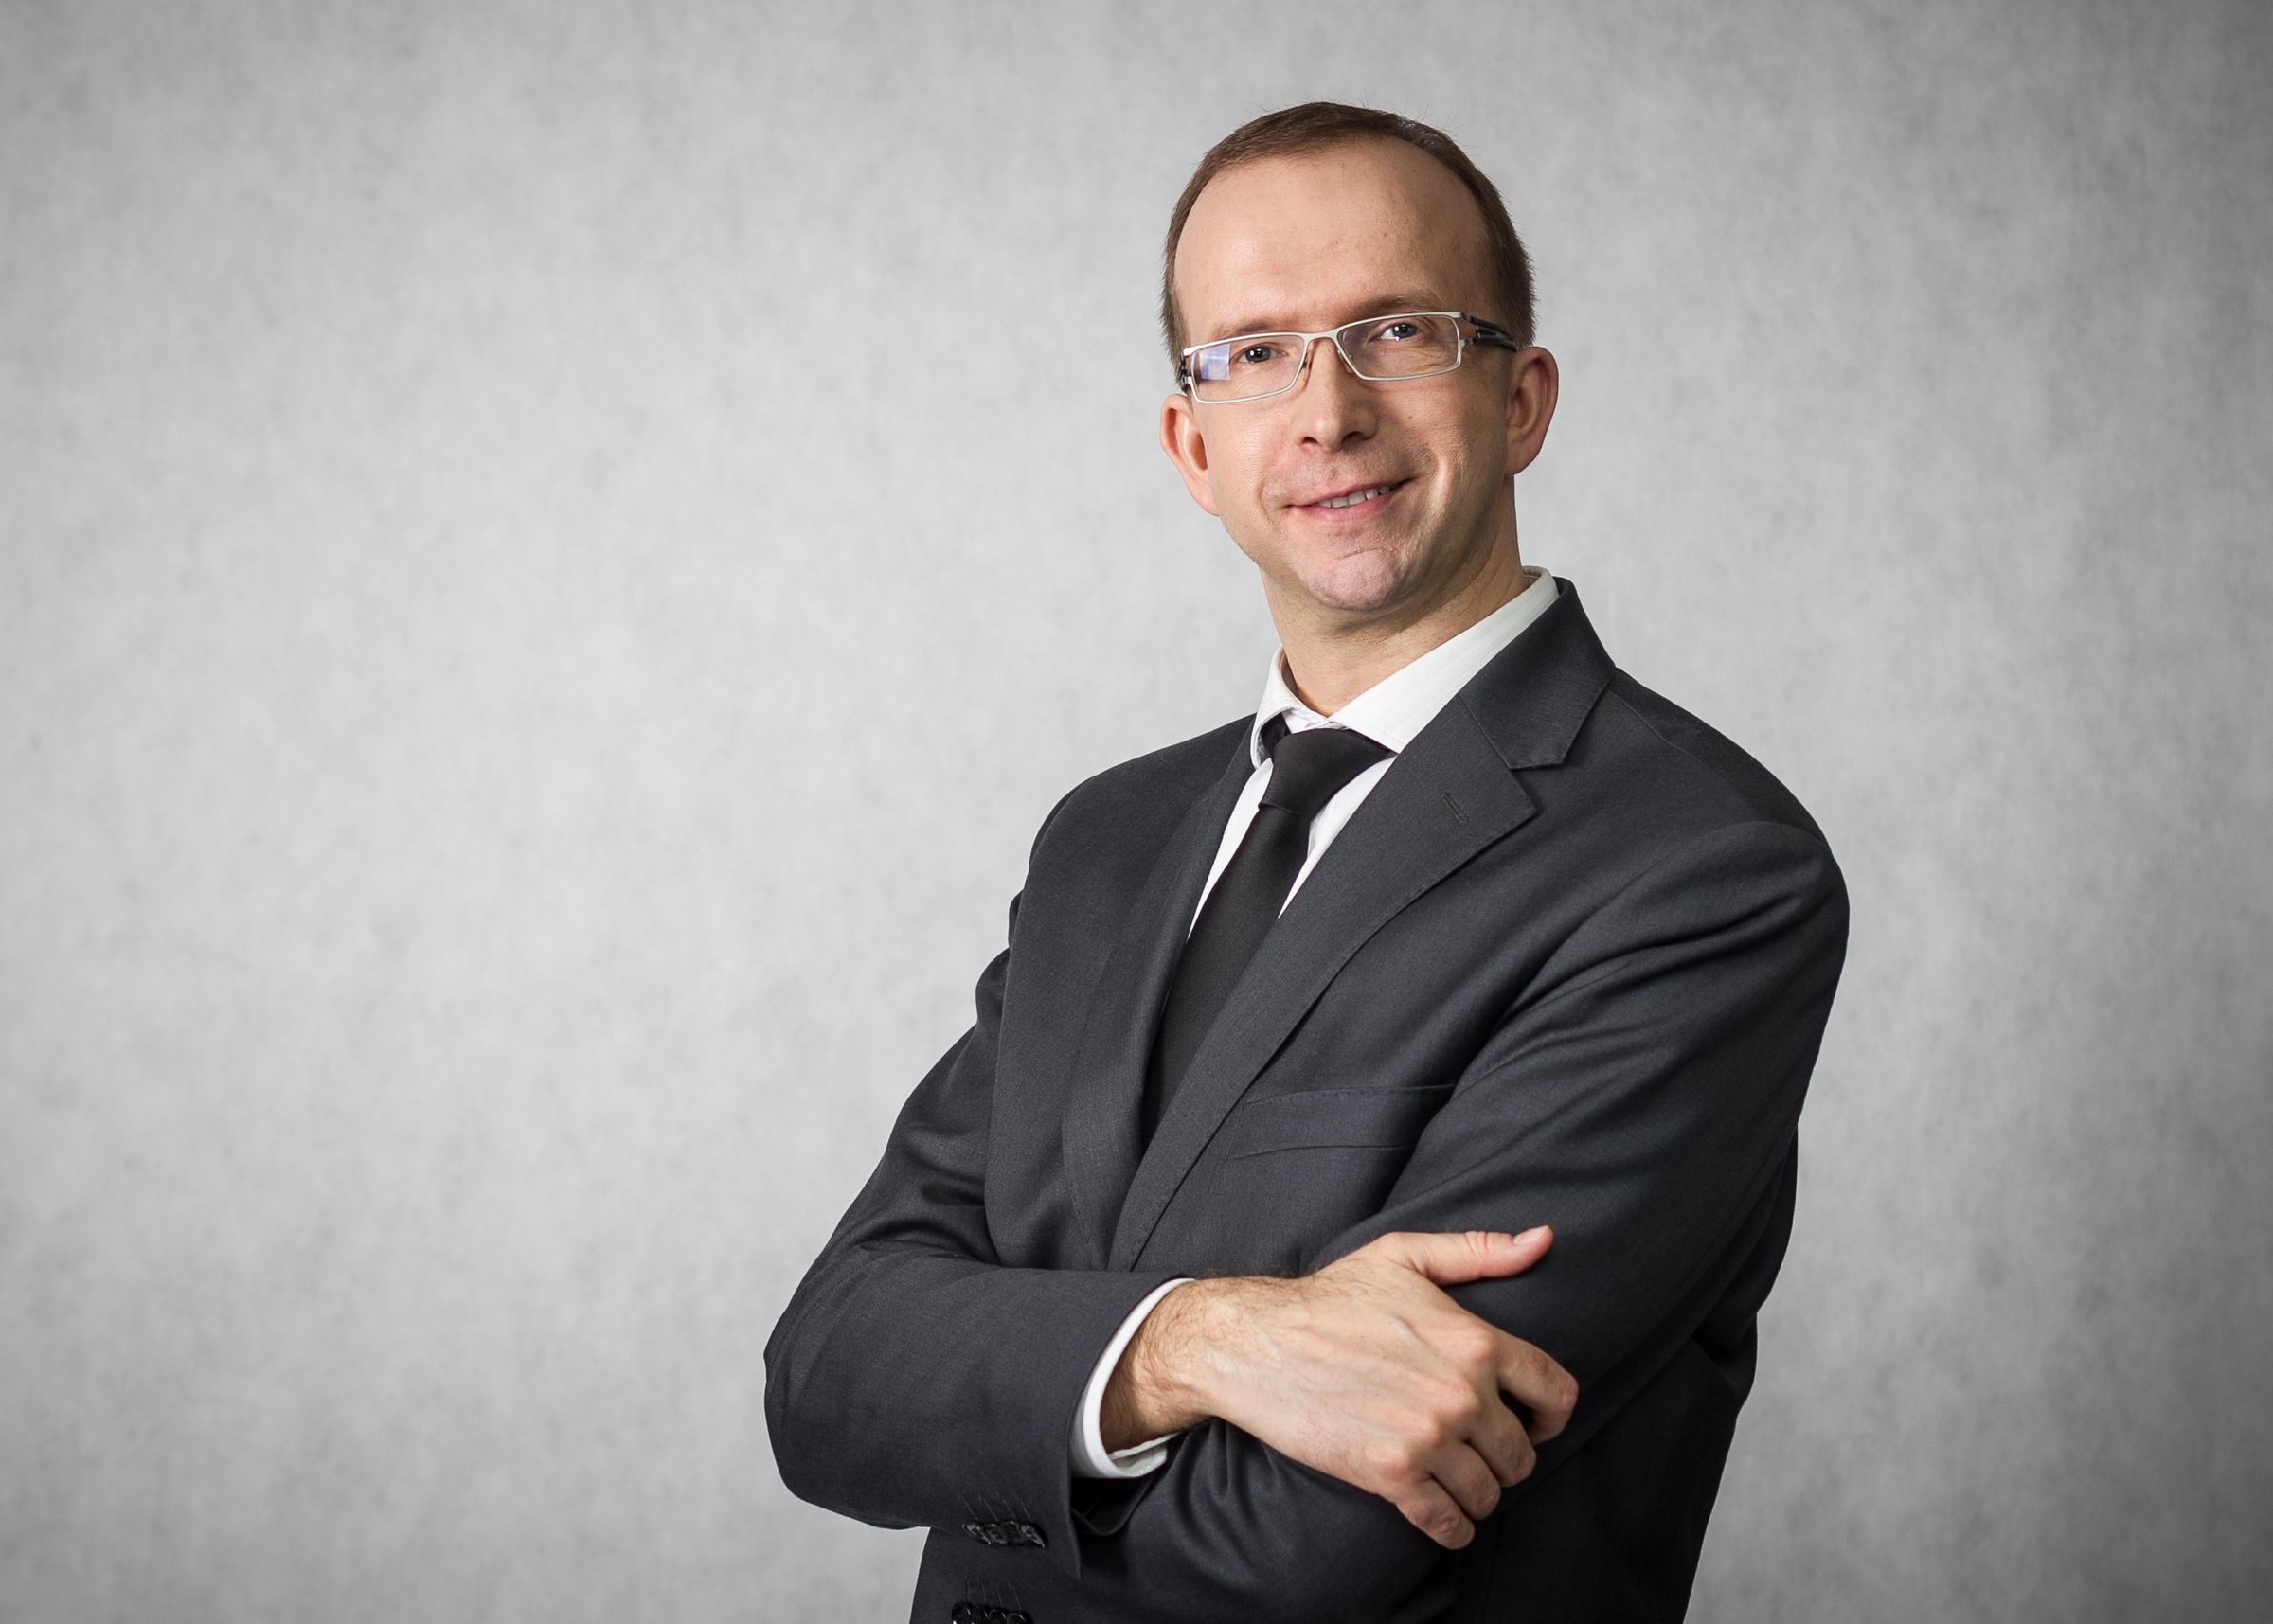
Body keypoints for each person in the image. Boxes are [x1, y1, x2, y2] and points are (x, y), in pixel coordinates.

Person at [765, 100, 1849, 1623]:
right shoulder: (1105, 843)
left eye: (1397, 332)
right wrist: (1195, 1343)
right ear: (1191, 445)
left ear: (1523, 399)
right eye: (1255, 352)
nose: (1326, 411)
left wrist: (1000, 1422)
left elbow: (1314, 1546)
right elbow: (825, 1379)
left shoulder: (1700, 871)